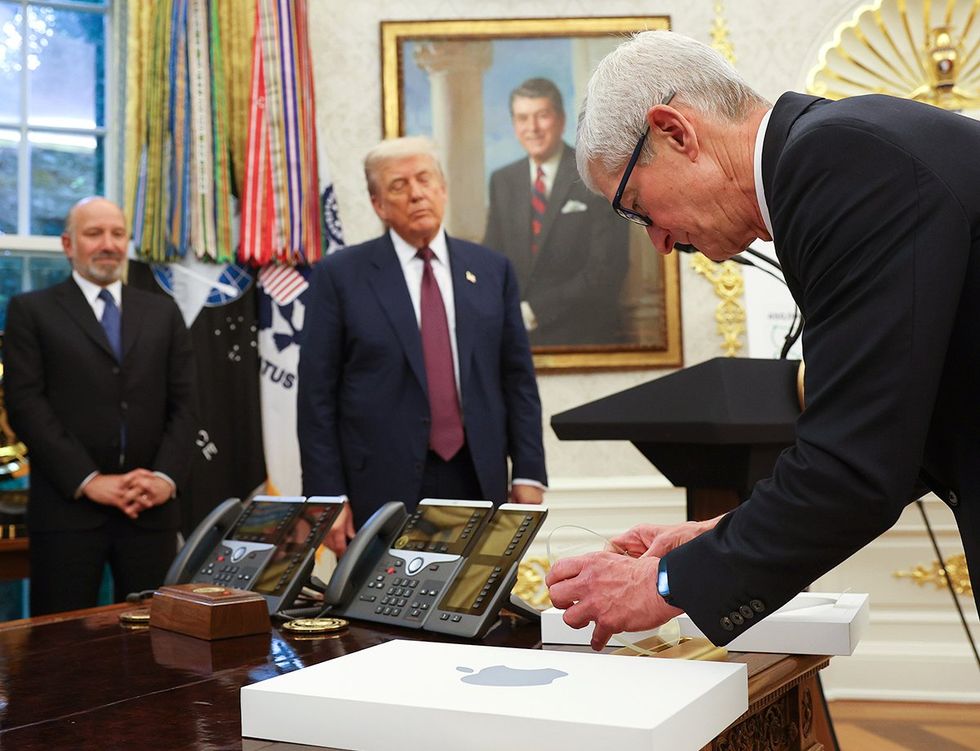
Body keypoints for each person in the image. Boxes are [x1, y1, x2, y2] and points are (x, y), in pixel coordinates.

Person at [546, 30, 980, 650]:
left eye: (638, 208)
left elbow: (852, 467)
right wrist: (720, 535)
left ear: (675, 132)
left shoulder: (835, 162)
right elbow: (894, 430)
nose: (660, 242)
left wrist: (664, 583)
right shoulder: (830, 155)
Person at [298, 137, 547, 555]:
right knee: (380, 614)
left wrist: (528, 472)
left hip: (477, 477)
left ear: (442, 188)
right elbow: (316, 396)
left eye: (424, 179)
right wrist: (327, 497)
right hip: (378, 487)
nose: (416, 193)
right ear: (378, 204)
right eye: (398, 185)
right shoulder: (339, 276)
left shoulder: (491, 270)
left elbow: (517, 379)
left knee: (471, 610)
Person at [4, 197, 197, 615]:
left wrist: (164, 478)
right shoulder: (31, 311)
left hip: (151, 509)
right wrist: (89, 480)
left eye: (117, 233)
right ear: (68, 244)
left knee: (157, 648)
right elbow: (25, 405)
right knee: (60, 650)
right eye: (94, 234)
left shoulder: (162, 312)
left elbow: (186, 404)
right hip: (68, 510)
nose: (107, 244)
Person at [483, 77, 629, 347]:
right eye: (522, 118)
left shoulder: (594, 175)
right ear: (514, 124)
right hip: (515, 339)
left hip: (584, 337)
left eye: (542, 116)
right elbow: (492, 256)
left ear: (561, 120)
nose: (532, 128)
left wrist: (533, 311)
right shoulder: (503, 180)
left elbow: (606, 269)